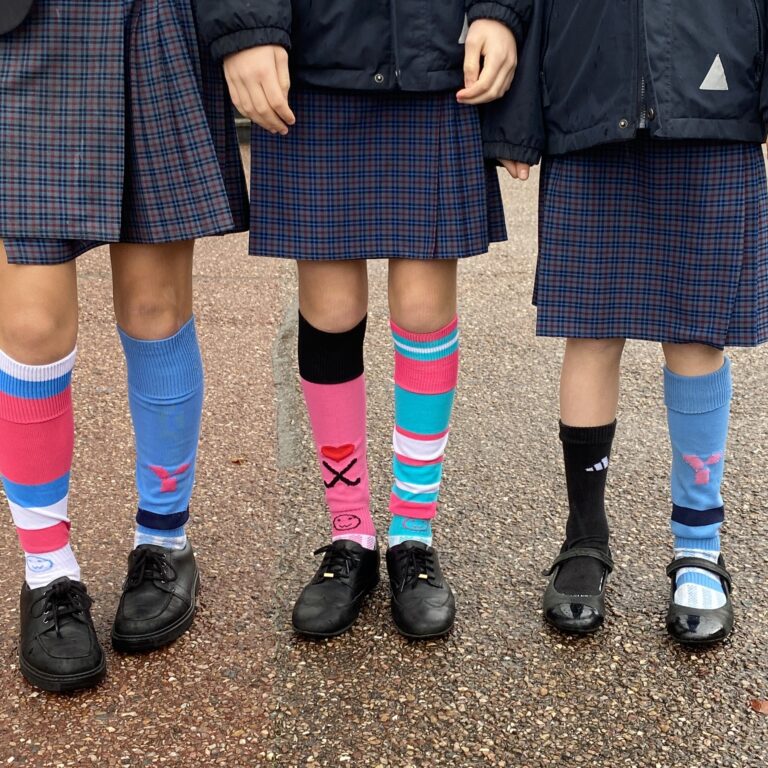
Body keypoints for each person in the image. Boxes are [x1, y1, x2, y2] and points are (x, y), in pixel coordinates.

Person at [195, 0, 531, 639]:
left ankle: (412, 532)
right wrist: (245, 27)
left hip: (438, 67)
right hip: (313, 62)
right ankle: (349, 532)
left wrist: (499, 11)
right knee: (329, 311)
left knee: (425, 311)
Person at [484, 0, 768, 644]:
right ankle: (585, 539)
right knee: (590, 332)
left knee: (697, 335)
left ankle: (699, 543)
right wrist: (518, 123)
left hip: (714, 106)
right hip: (589, 105)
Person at [0, 0, 248, 691]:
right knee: (30, 329)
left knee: (155, 309)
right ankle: (48, 572)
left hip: (154, 23)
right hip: (22, 31)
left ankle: (164, 540)